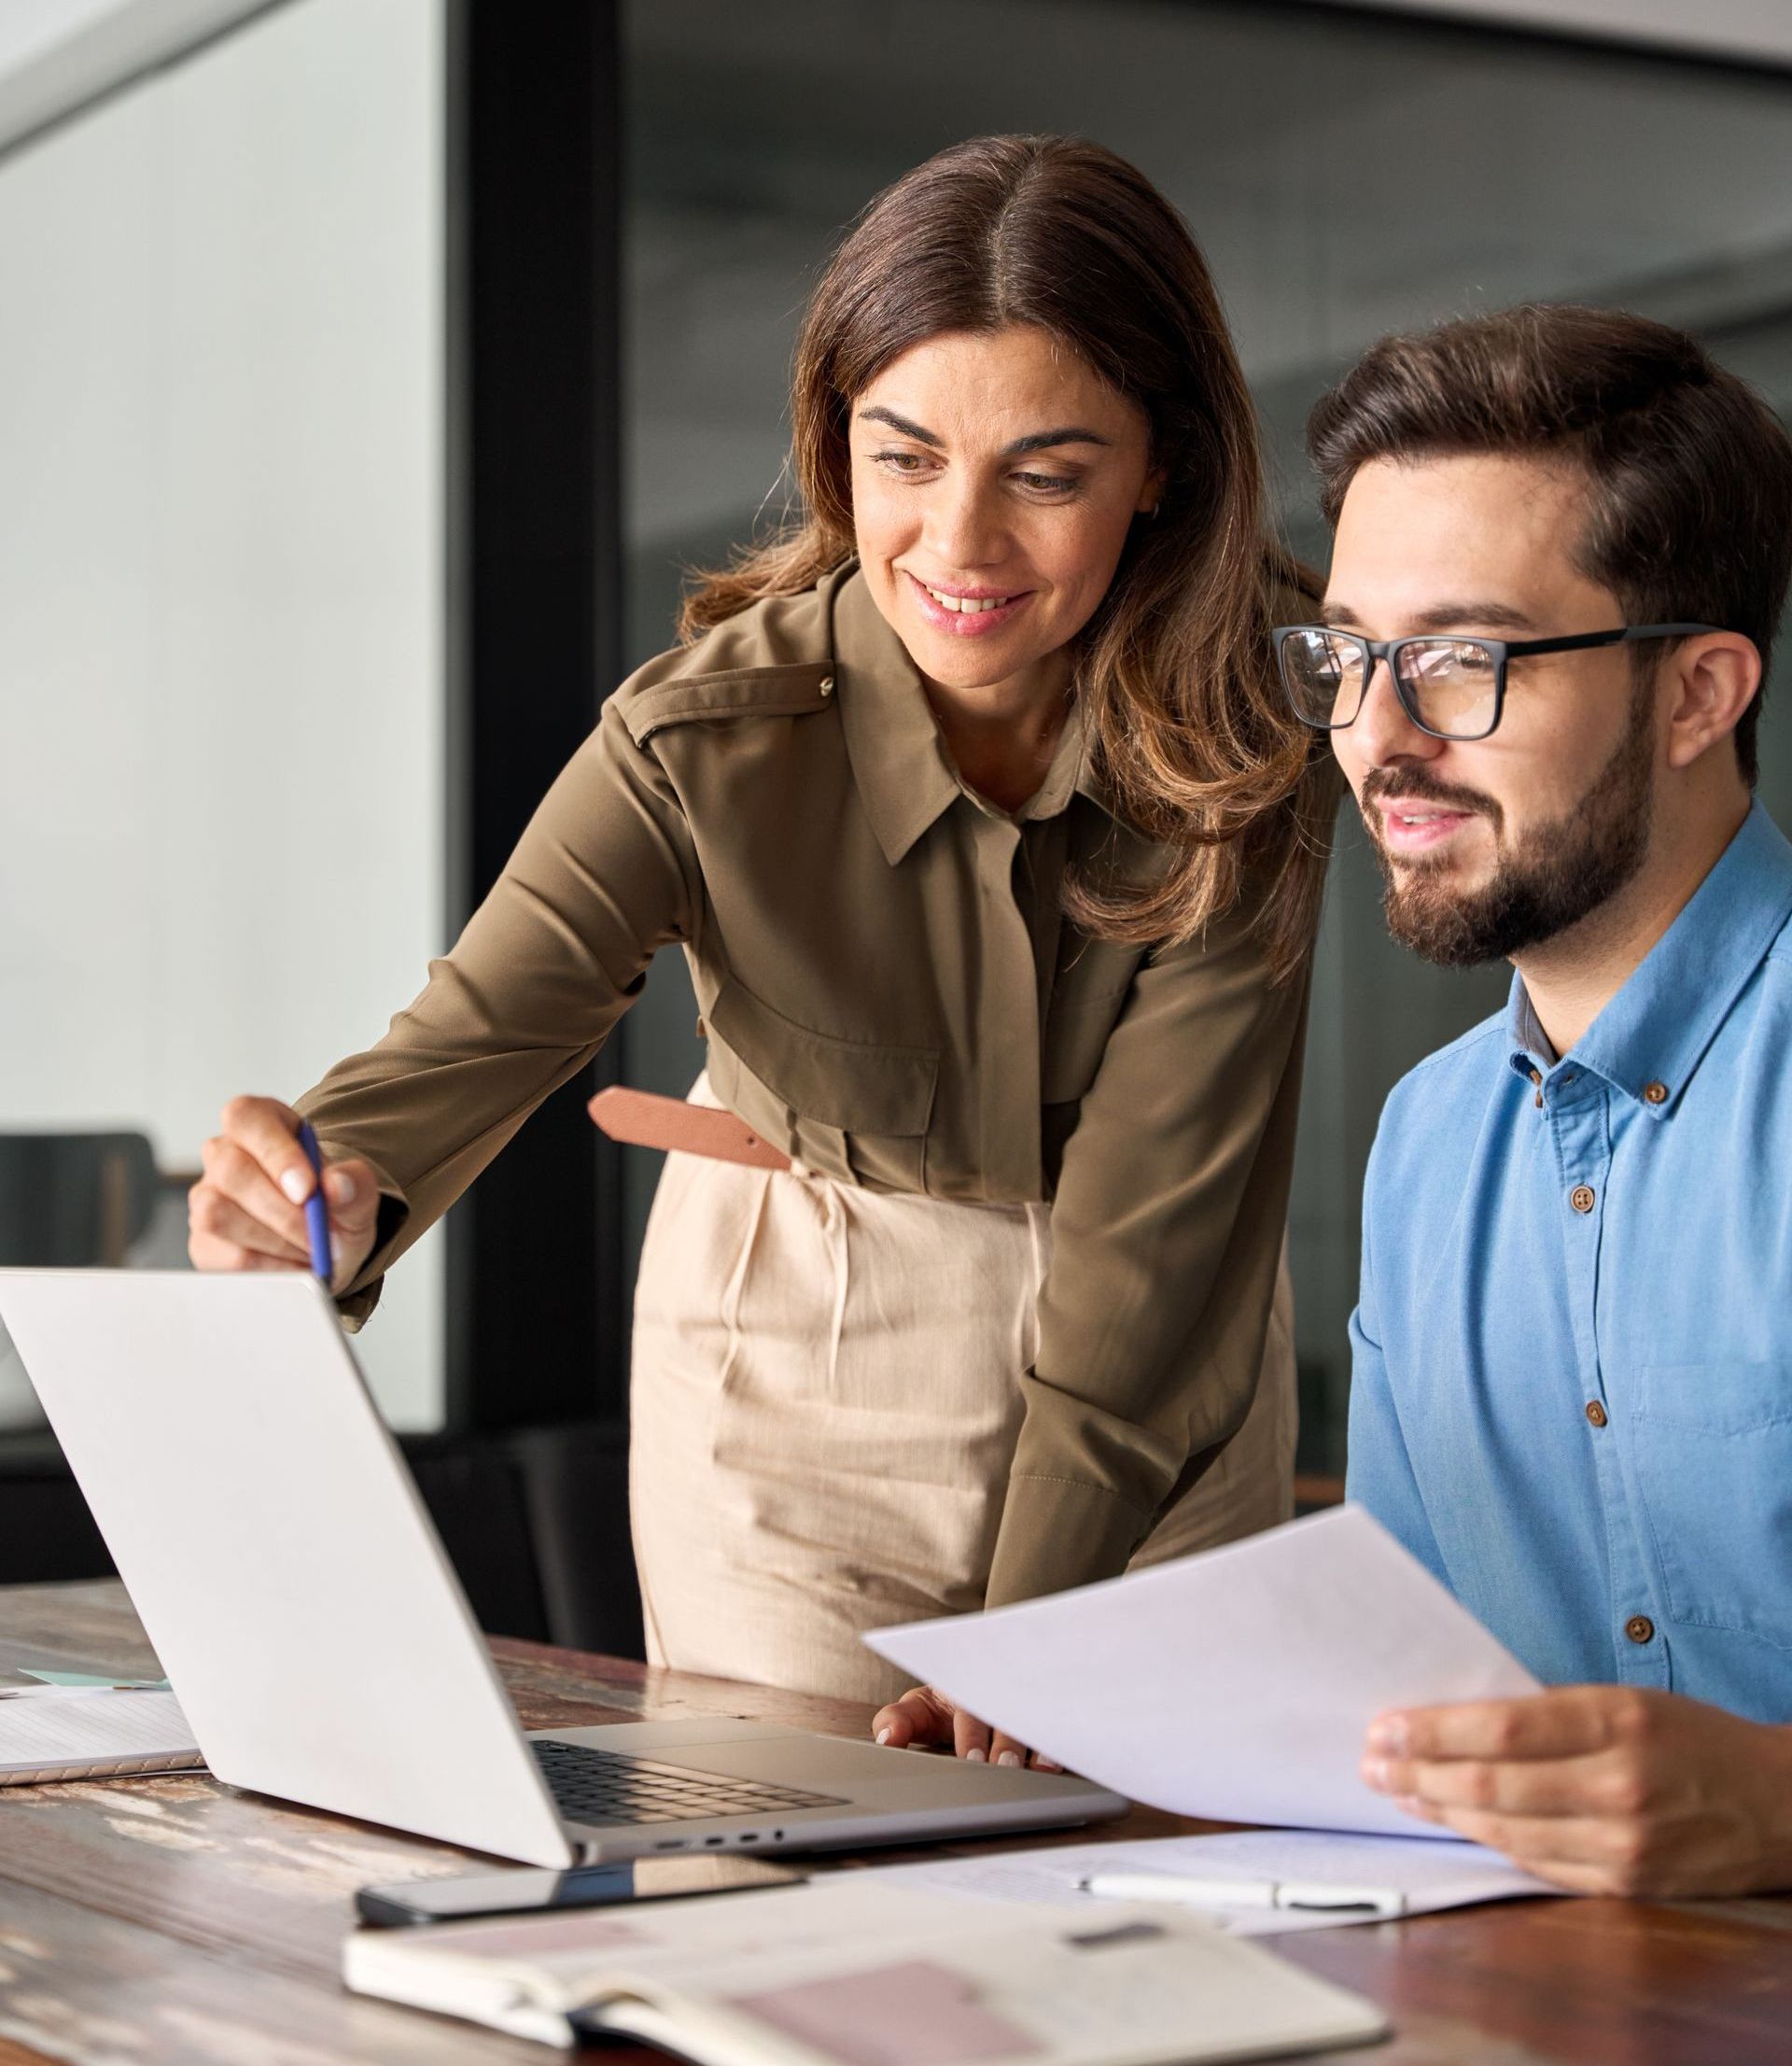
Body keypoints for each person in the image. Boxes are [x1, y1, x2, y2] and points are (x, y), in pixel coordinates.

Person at [187, 135, 1336, 1711]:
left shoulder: (1255, 716)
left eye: (1046, 475)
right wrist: (318, 1187)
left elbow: (1161, 1220)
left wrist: (1033, 1637)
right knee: (797, 1837)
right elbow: (478, 1033)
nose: (959, 543)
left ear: (1165, 470)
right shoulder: (701, 739)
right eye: (903, 458)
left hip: (1166, 1365)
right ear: (835, 439)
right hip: (802, 1356)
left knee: (1166, 1835)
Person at [1275, 303, 1792, 1896]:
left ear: (1698, 695)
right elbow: (1404, 1696)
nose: (1377, 736)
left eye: (1461, 658)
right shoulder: (1428, 1147)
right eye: (1350, 656)